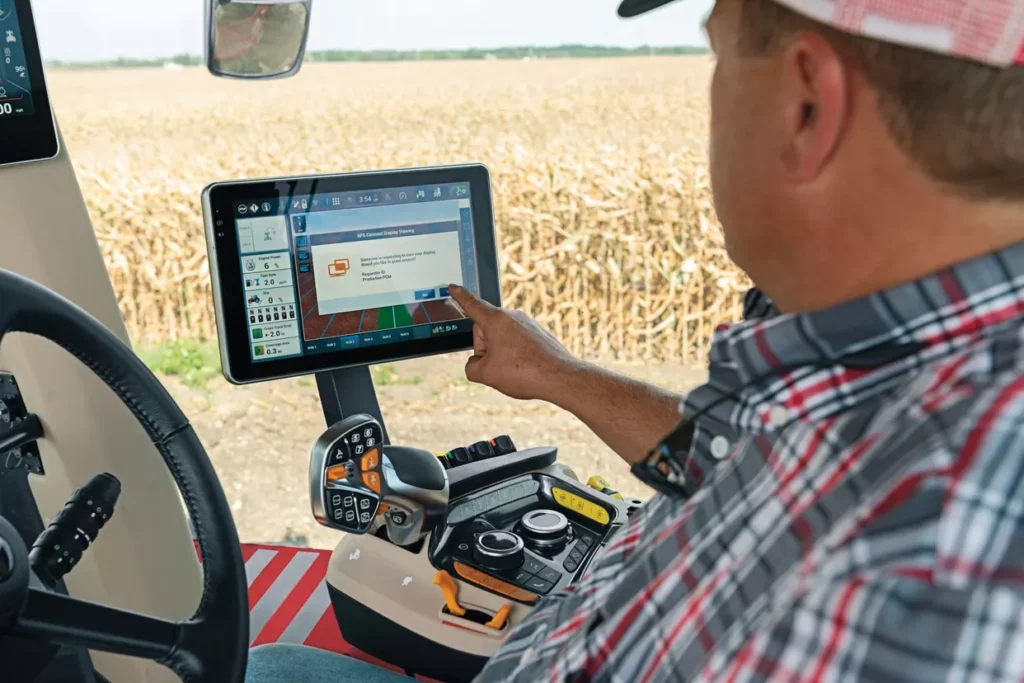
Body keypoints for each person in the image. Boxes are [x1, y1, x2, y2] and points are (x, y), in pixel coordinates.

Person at [248, 0, 1024, 680]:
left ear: (807, 105)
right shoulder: (863, 350)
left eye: (718, 52)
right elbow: (727, 456)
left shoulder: (930, 565)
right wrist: (555, 373)